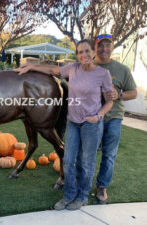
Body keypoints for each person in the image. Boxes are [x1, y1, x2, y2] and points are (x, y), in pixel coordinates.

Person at [13, 39, 113, 210]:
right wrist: (31, 67)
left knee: (86, 163)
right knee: (67, 160)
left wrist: (98, 116)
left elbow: (109, 101)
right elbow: (53, 70)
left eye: (87, 51)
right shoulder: (73, 69)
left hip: (91, 125)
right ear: (77, 54)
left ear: (93, 52)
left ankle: (82, 197)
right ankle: (68, 196)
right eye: (80, 52)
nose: (84, 55)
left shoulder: (103, 74)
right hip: (73, 122)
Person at [94, 34, 137, 204]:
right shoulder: (88, 67)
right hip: (91, 118)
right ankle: (79, 181)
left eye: (108, 45)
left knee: (109, 154)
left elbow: (133, 93)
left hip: (113, 118)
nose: (104, 49)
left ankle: (102, 186)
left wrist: (118, 94)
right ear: (95, 47)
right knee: (85, 152)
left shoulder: (122, 69)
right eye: (100, 45)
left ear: (112, 47)